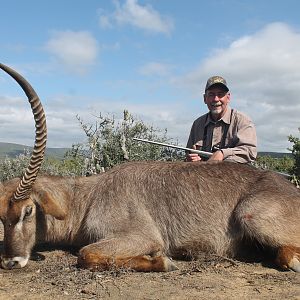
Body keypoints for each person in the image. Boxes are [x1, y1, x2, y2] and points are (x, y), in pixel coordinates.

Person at [186, 76, 257, 163]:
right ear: (205, 98)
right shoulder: (197, 124)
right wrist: (191, 158)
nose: (216, 99)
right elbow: (188, 152)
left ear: (228, 98)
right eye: (211, 94)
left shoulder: (242, 120)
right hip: (203, 175)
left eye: (220, 94)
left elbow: (250, 151)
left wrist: (222, 154)